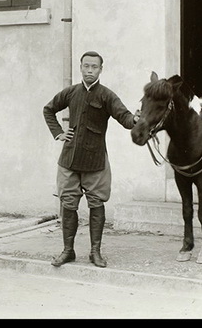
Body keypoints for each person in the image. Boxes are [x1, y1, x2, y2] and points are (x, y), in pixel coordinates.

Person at [43, 51, 138, 268]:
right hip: (69, 159)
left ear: (101, 70)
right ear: (80, 67)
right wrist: (58, 132)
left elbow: (124, 116)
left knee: (96, 203)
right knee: (68, 203)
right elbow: (48, 109)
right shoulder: (70, 93)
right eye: (86, 66)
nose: (89, 70)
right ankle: (68, 251)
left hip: (95, 161)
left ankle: (95, 252)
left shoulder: (107, 95)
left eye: (94, 67)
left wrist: (135, 119)